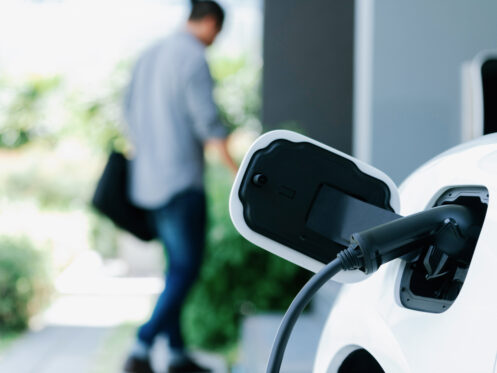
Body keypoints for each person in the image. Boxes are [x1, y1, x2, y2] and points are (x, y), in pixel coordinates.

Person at [122, 1, 237, 372]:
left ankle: (174, 356)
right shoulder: (192, 58)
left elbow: (127, 116)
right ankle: (141, 344)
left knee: (175, 268)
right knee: (186, 269)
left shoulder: (148, 54)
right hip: (181, 182)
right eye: (217, 33)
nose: (214, 41)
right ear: (208, 23)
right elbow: (208, 124)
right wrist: (240, 171)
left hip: (147, 181)